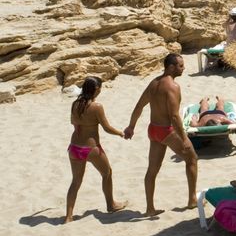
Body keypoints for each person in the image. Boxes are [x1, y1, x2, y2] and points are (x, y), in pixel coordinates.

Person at [124, 53, 198, 216]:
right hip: (167, 131)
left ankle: (150, 208)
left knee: (152, 170)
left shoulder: (153, 83)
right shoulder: (173, 86)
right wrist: (184, 138)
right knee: (192, 159)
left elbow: (139, 106)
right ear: (171, 67)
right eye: (180, 65)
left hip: (153, 130)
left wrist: (131, 126)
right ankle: (192, 199)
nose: (183, 68)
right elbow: (174, 116)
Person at [65, 77, 126, 222]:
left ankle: (68, 216)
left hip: (74, 148)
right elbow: (106, 128)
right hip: (91, 148)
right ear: (97, 89)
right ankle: (111, 205)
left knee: (76, 181)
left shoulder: (75, 104)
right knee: (107, 173)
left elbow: (74, 123)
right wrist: (120, 133)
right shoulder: (96, 106)